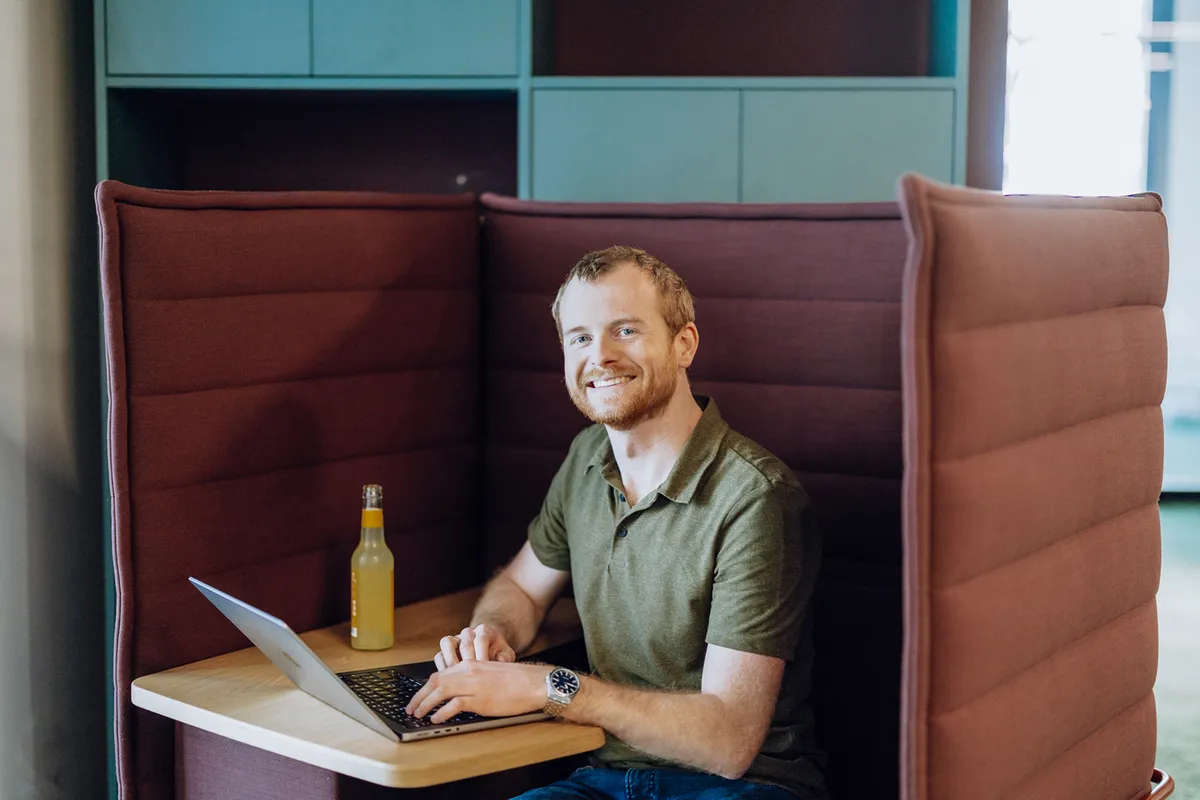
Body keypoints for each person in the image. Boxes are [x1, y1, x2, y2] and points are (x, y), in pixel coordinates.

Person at [405, 246, 826, 799]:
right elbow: (521, 589)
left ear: (684, 344)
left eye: (625, 330)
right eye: (580, 337)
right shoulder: (585, 457)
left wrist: (550, 688)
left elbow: (729, 742)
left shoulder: (757, 499)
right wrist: (494, 637)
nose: (599, 356)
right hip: (601, 779)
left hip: (743, 786)